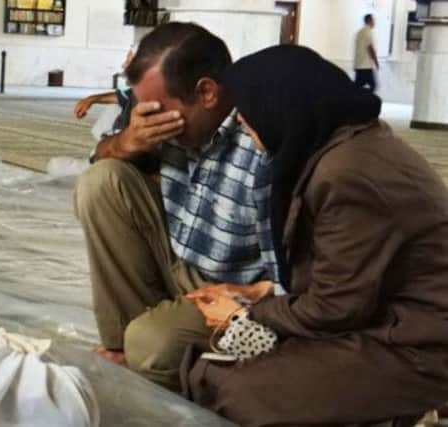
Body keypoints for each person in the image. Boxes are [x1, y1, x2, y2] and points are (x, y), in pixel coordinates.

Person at [185, 45, 448, 426]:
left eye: (248, 108)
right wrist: (256, 294)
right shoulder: (343, 147)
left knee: (238, 391)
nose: (240, 120)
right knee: (209, 363)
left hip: (420, 348)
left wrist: (247, 313)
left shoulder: (348, 174)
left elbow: (336, 308)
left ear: (282, 105)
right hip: (389, 322)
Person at [73, 22, 279, 391]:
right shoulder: (165, 126)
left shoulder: (262, 141)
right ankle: (126, 347)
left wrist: (247, 298)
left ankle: (149, 353)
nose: (148, 120)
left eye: (156, 110)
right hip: (180, 261)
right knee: (102, 181)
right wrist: (126, 141)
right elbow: (99, 157)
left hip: (232, 295)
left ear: (207, 93)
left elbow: (296, 285)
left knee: (151, 346)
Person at [354, 13, 379, 92]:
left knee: (357, 87)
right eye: (373, 20)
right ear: (369, 21)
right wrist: (376, 62)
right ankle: (363, 101)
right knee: (373, 86)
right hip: (366, 66)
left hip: (359, 65)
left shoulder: (359, 32)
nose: (374, 22)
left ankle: (358, 100)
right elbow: (370, 48)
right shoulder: (368, 31)